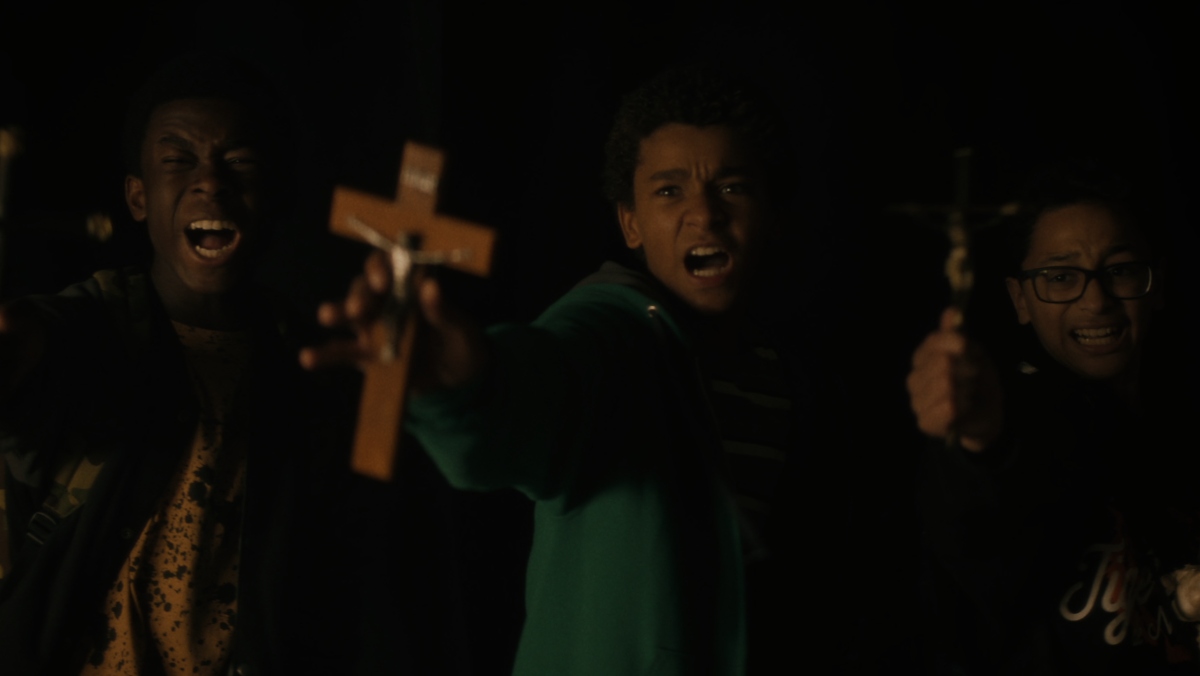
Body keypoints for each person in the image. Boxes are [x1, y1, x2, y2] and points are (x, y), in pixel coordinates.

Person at [304, 66, 818, 674]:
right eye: (668, 191)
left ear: (774, 213)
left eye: (732, 188)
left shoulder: (791, 379)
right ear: (629, 222)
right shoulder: (613, 330)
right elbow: (542, 386)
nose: (704, 216)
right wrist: (463, 389)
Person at [0, 54, 358, 675]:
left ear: (274, 195)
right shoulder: (88, 329)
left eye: (238, 162)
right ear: (137, 197)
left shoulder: (311, 364)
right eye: (177, 160)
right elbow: (30, 359)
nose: (210, 182)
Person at [907, 164, 1200, 673]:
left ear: (1157, 284)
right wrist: (979, 442)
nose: (1096, 300)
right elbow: (974, 527)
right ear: (1020, 298)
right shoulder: (1027, 422)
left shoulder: (1178, 429)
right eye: (1060, 277)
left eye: (1121, 270)